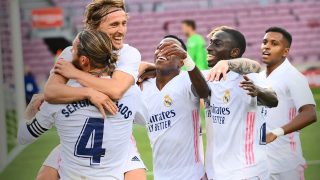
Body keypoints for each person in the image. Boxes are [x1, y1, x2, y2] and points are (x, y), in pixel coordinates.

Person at [38, 0, 147, 179]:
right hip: (76, 139)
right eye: (114, 24)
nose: (121, 30)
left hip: (116, 141)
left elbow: (116, 90)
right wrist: (89, 93)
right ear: (94, 27)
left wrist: (75, 74)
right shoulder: (71, 52)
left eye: (124, 23)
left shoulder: (128, 53)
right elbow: (51, 92)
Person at [205, 27, 278, 180]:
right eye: (210, 42)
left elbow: (273, 99)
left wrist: (258, 91)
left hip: (246, 171)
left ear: (234, 53)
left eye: (217, 44)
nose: (209, 47)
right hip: (217, 172)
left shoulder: (250, 76)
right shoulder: (208, 77)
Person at [141, 35, 210, 179]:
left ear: (181, 62)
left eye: (170, 50)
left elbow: (204, 92)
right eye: (159, 48)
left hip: (192, 175)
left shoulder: (188, 79)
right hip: (161, 176)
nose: (162, 52)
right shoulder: (144, 86)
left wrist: (188, 58)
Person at [260, 27, 317, 180]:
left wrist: (276, 132)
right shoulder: (259, 76)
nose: (266, 46)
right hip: (261, 162)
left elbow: (310, 113)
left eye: (274, 43)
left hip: (286, 163)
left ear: (285, 52)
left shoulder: (293, 77)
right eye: (265, 42)